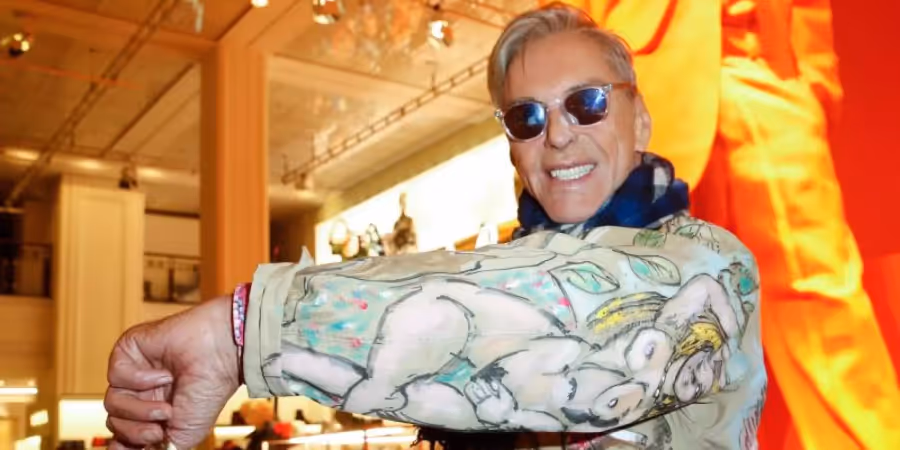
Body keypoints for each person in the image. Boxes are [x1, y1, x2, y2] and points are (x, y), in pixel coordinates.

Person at [103, 4, 766, 449]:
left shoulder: (709, 265)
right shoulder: (512, 265)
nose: (559, 135)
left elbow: (572, 322)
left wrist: (243, 330)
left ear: (640, 119)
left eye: (586, 103)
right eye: (528, 118)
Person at [543, 1, 900, 448]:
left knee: (818, 301)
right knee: (674, 331)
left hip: (761, 62)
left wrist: (814, 78)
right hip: (643, 82)